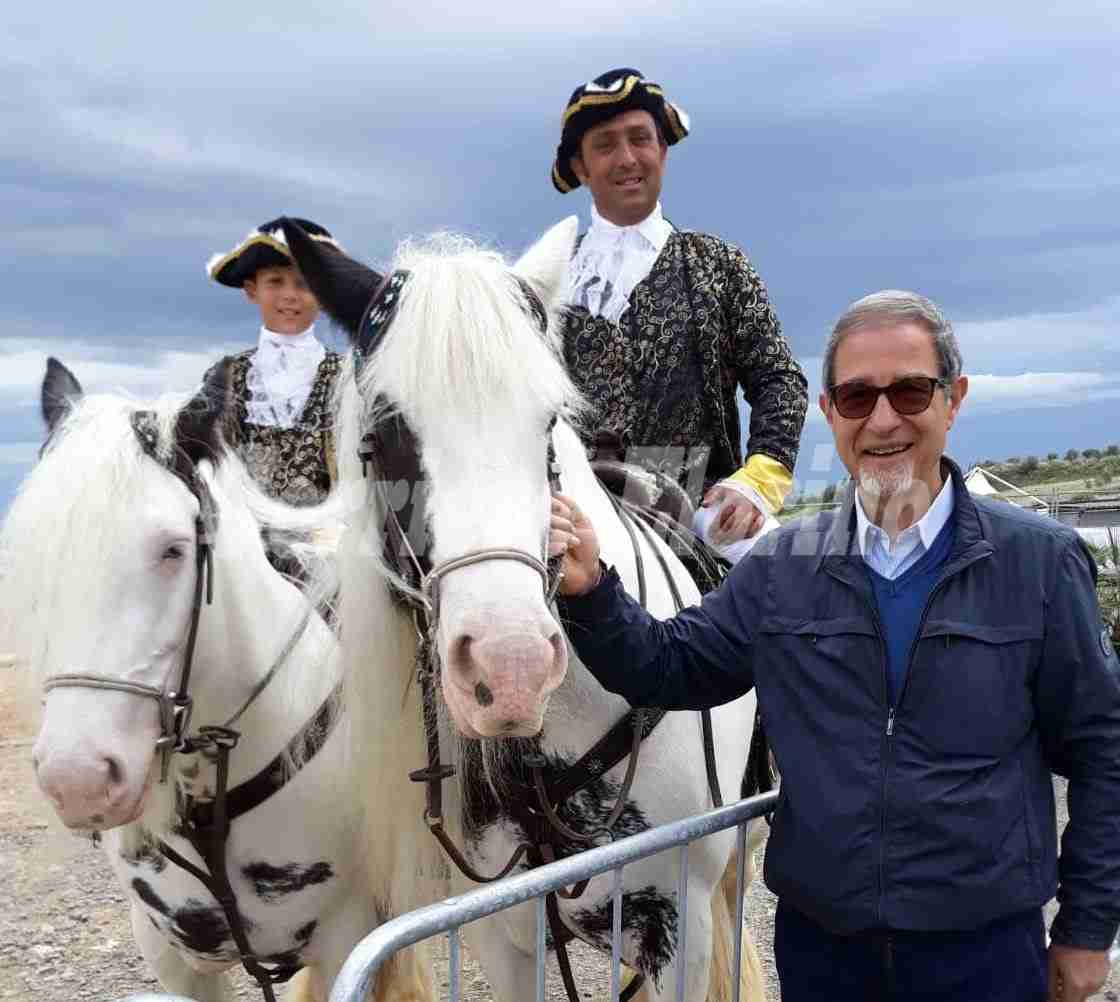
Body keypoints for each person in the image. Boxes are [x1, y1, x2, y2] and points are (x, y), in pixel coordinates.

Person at [550, 290, 1120, 1002]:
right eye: (856, 399)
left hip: (984, 953)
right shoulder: (781, 567)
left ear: (954, 399)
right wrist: (591, 590)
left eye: (910, 392)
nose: (883, 420)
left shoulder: (1039, 563)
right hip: (824, 956)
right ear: (829, 414)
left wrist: (1088, 928)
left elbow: (1104, 751)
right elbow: (671, 665)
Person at [552, 67, 808, 552]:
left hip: (698, 506)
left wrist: (757, 481)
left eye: (640, 139)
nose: (627, 158)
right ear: (582, 167)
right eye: (605, 145)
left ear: (662, 151)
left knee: (793, 591)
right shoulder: (548, 278)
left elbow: (779, 381)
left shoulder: (721, 264)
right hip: (575, 505)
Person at [204, 217, 343, 508]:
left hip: (330, 544)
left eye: (303, 284)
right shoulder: (223, 378)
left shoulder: (348, 379)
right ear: (252, 290)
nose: (290, 295)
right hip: (240, 545)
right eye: (275, 281)